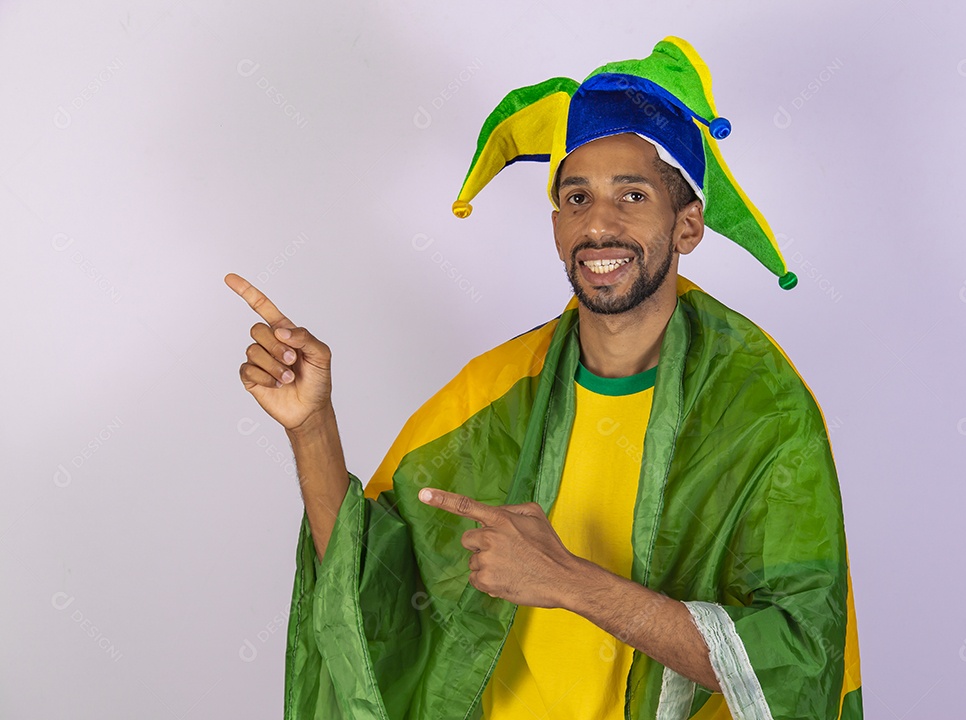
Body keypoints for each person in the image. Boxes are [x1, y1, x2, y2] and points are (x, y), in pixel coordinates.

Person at [227, 36, 862, 720]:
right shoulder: (495, 391)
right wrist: (311, 427)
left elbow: (799, 655)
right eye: (577, 198)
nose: (600, 225)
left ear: (687, 226)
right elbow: (373, 586)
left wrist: (569, 581)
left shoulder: (760, 407)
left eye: (634, 195)